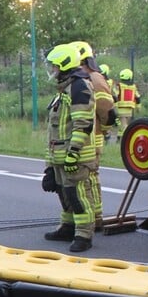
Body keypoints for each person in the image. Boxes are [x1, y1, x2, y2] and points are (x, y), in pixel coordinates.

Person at [42, 43, 97, 253]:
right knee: (64, 193)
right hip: (60, 157)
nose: (52, 71)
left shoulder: (79, 87)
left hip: (75, 157)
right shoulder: (64, 89)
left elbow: (82, 124)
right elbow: (54, 130)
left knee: (78, 195)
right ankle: (68, 227)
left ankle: (84, 235)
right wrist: (49, 165)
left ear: (64, 66)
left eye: (54, 66)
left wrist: (73, 153)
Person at [72, 41, 117, 232]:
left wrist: (103, 130)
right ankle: (92, 216)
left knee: (90, 178)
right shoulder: (81, 78)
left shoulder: (95, 78)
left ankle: (95, 217)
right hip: (87, 136)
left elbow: (107, 110)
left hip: (93, 137)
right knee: (87, 179)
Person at [115, 68, 142, 138]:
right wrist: (138, 107)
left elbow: (115, 95)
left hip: (120, 108)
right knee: (124, 124)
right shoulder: (133, 87)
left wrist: (114, 105)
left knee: (123, 125)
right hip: (130, 109)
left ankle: (129, 137)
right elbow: (138, 97)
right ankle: (119, 138)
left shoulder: (119, 86)